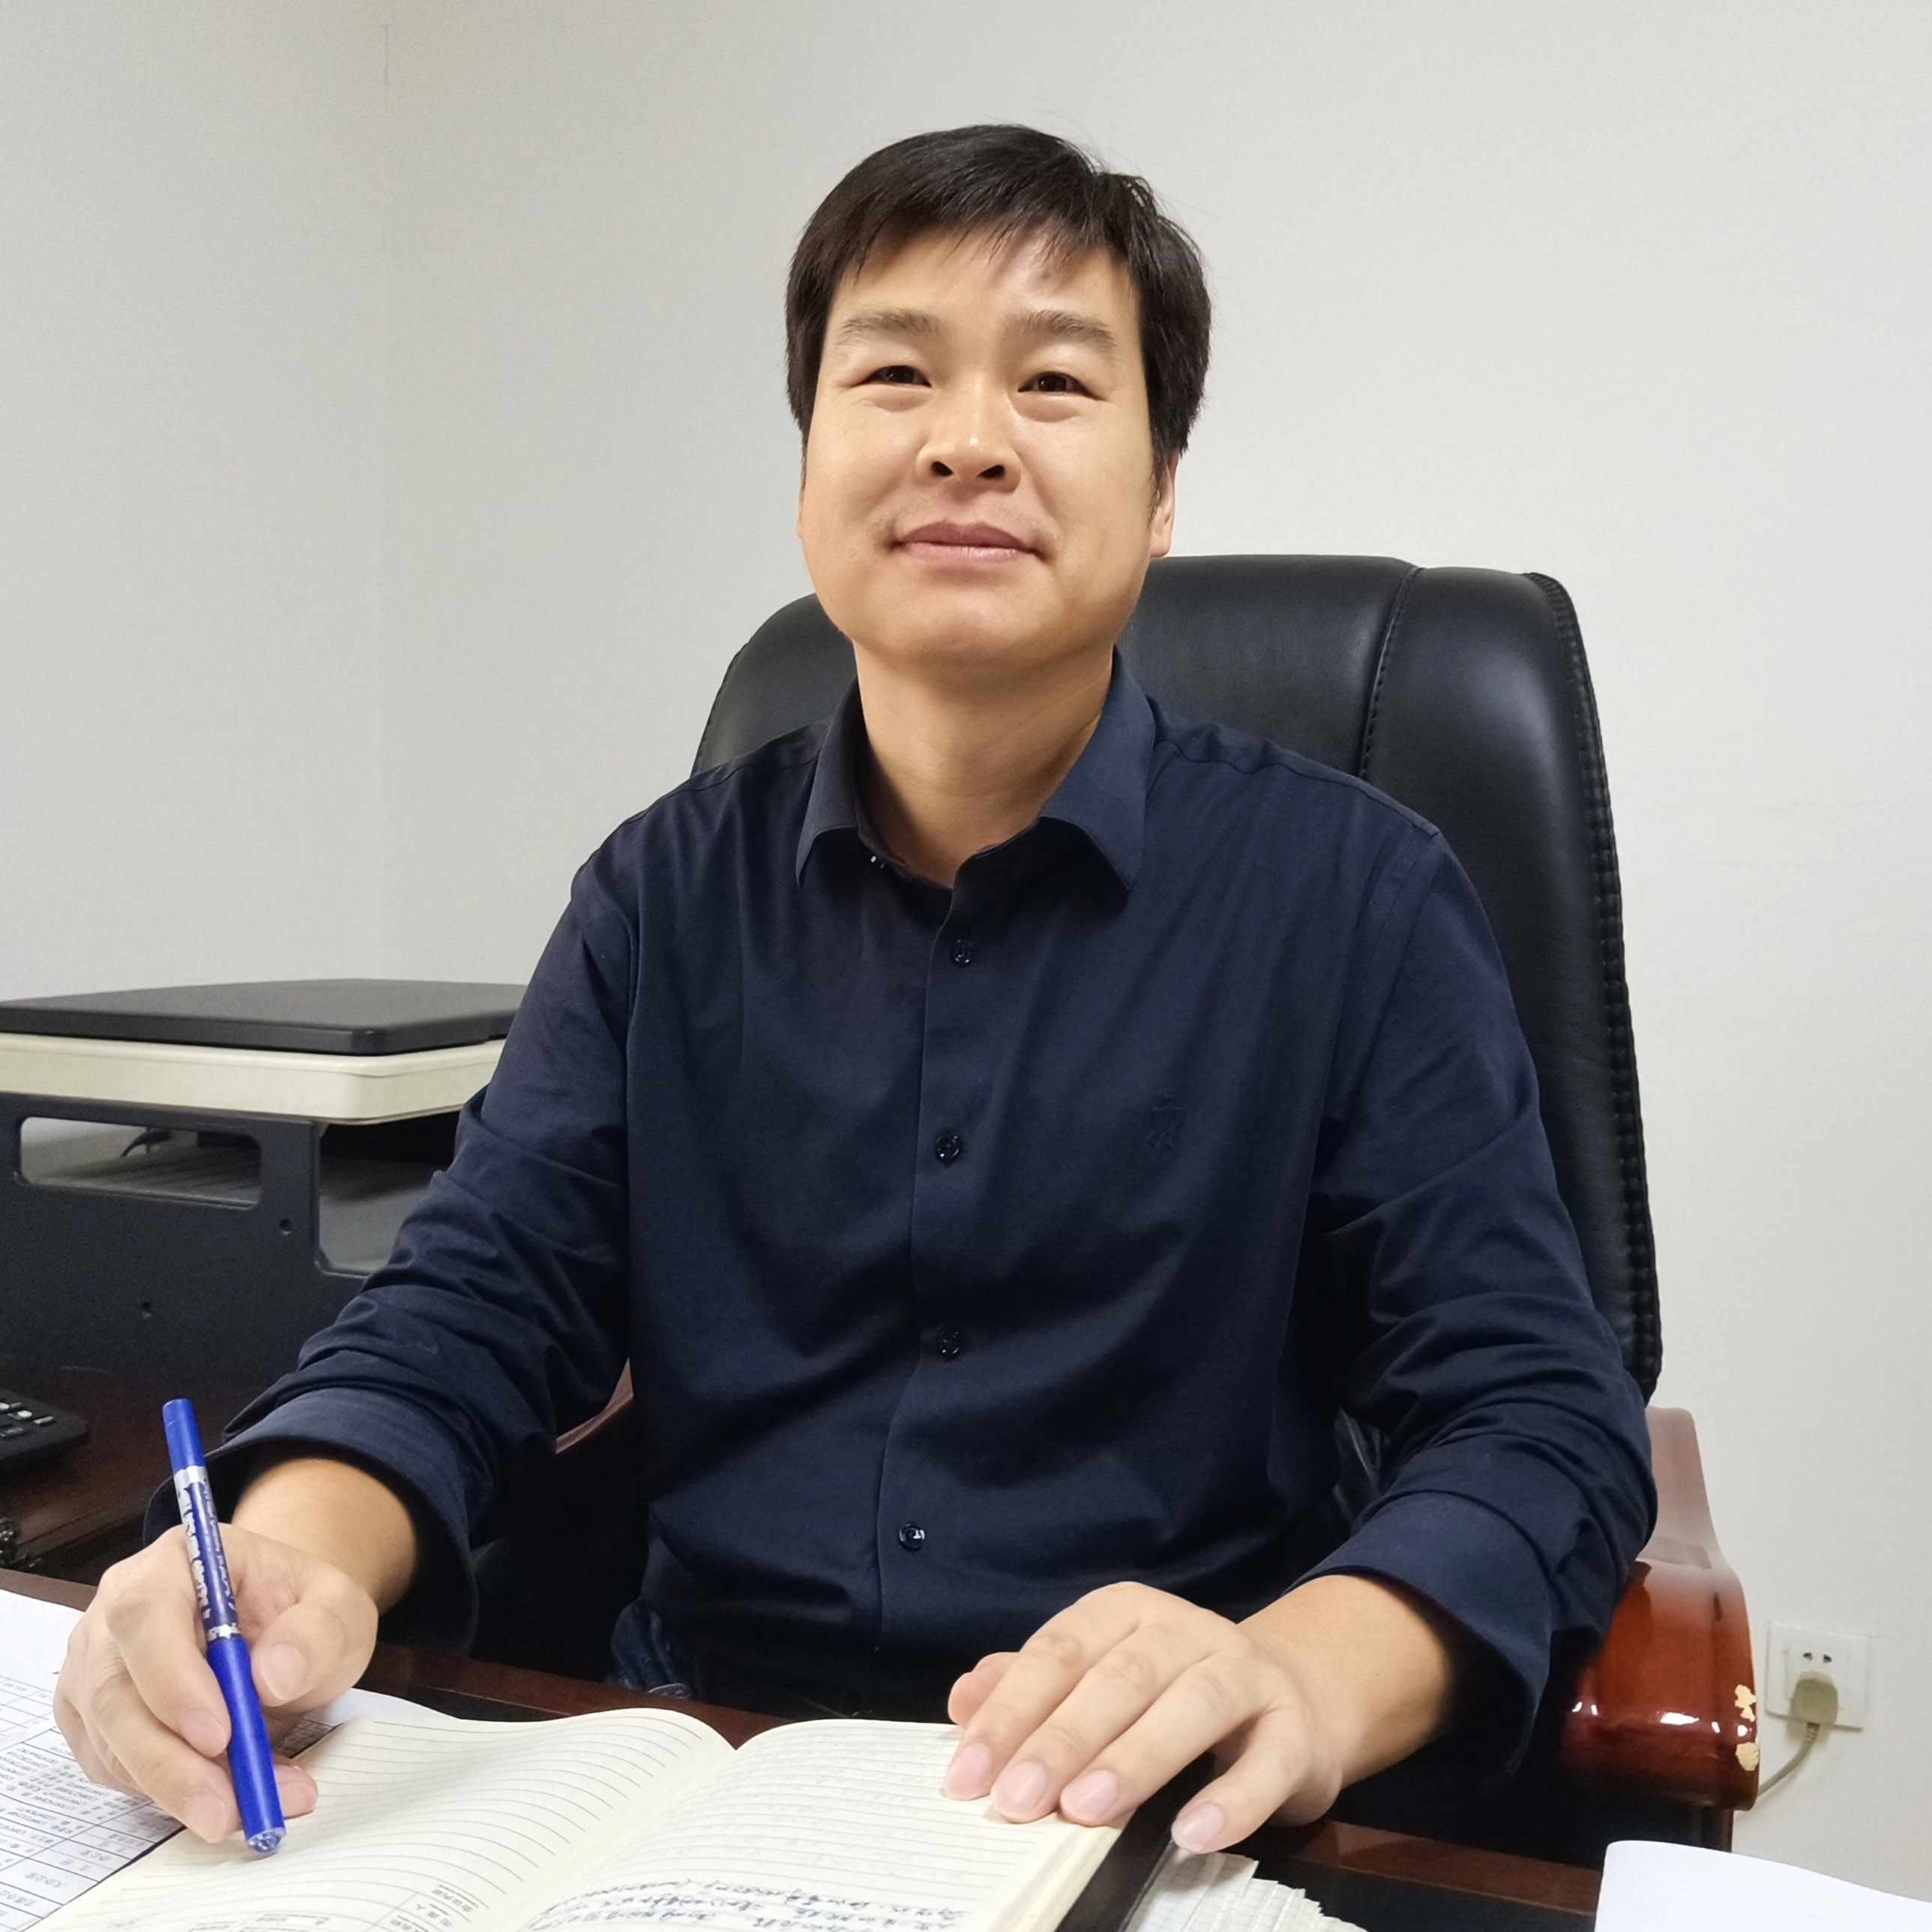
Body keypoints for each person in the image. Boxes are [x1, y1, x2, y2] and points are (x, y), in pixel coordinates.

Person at [55, 124, 1653, 1858]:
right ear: (809, 468)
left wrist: (1300, 1675)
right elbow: (471, 1307)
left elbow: (1534, 1411)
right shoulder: (660, 894)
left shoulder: (1350, 895)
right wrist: (285, 1552)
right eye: (892, 373)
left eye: (1053, 381)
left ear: (1160, 490)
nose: (964, 439)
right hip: (693, 1769)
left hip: (1141, 1802)